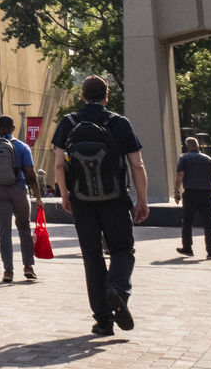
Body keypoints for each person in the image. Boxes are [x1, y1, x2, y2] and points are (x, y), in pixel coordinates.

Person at [52, 76, 149, 337]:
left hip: (82, 201)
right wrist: (142, 199)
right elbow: (137, 165)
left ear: (82, 96)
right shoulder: (119, 123)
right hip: (115, 200)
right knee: (122, 250)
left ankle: (103, 320)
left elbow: (60, 164)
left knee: (92, 256)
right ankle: (116, 288)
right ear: (106, 97)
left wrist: (64, 194)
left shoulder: (68, 123)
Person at [0, 115, 44, 283]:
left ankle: (8, 270)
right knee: (24, 227)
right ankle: (28, 266)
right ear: (13, 128)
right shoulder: (22, 147)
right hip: (18, 189)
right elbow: (30, 174)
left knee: (4, 231)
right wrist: (38, 197)